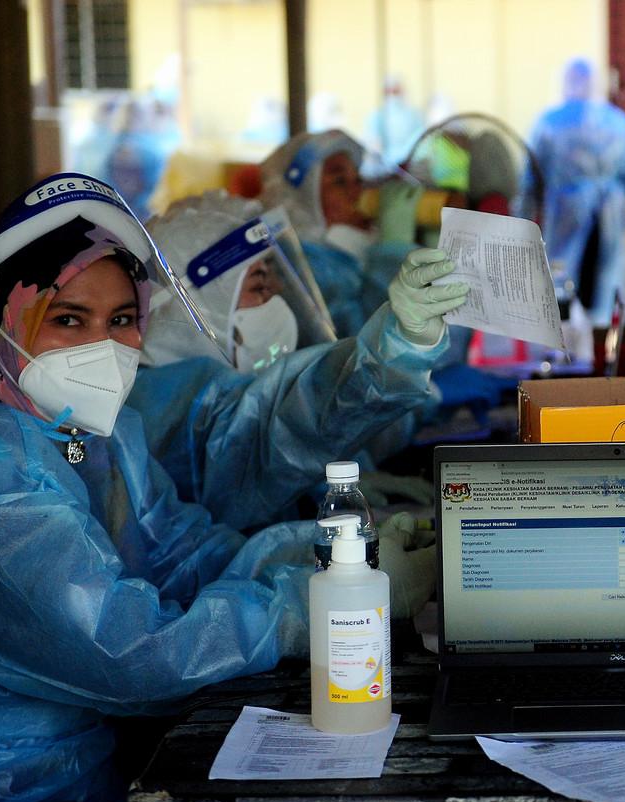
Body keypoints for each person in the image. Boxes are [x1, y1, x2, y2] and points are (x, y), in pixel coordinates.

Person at [0, 173, 318, 802]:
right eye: (68, 319)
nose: (103, 346)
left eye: (123, 320)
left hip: (85, 786)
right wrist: (301, 613)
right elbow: (124, 652)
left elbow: (182, 553)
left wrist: (332, 559)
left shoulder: (93, 435)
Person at [132, 190, 460, 531]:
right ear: (198, 311)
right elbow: (287, 426)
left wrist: (318, 490)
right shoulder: (167, 407)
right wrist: (396, 347)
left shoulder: (198, 389)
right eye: (259, 286)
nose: (277, 300)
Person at [526, 58, 625, 326]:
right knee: (604, 293)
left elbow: (527, 182)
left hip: (565, 215)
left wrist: (515, 229)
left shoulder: (548, 123)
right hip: (610, 219)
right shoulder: (618, 123)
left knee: (560, 290)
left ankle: (563, 352)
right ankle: (601, 350)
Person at [260, 129, 378, 337]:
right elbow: (371, 345)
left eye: (358, 180)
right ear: (304, 199)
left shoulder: (345, 251)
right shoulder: (303, 266)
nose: (357, 192)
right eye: (340, 182)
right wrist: (396, 251)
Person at [363, 74, 426, 170]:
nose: (392, 96)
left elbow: (421, 140)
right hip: (385, 167)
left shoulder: (414, 115)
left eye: (395, 92)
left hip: (412, 164)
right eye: (388, 92)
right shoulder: (377, 116)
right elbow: (373, 143)